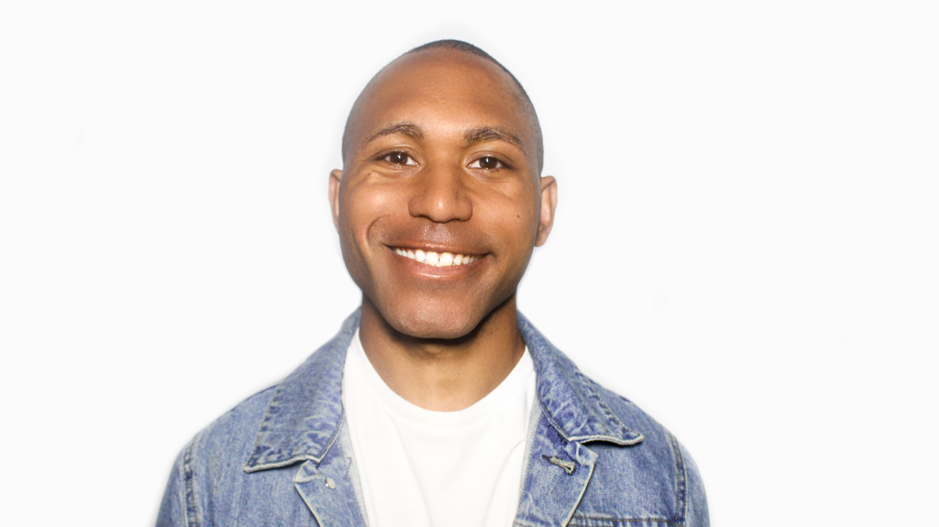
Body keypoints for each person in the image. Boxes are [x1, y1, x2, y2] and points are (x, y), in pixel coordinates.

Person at [156, 39, 709, 527]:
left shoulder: (658, 481)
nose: (440, 203)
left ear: (543, 212)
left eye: (488, 162)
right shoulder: (212, 482)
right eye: (397, 157)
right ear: (338, 198)